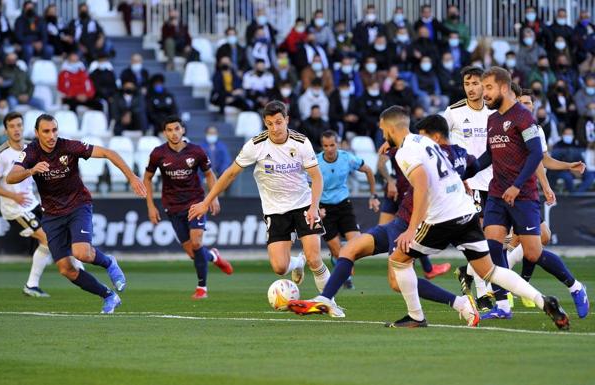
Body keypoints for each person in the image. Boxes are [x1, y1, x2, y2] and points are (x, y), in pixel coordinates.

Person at [381, 106, 567, 328]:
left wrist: (411, 229)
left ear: (391, 128)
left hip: (442, 217)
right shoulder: (425, 142)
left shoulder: (406, 152)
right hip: (465, 211)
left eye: (383, 130)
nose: (383, 135)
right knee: (490, 270)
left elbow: (421, 184)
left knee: (398, 260)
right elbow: (448, 169)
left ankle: (416, 316)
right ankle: (543, 300)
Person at [286, 115, 479, 321]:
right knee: (349, 249)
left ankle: (459, 303)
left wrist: (460, 181)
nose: (381, 134)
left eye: (383, 129)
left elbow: (464, 167)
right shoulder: (407, 148)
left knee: (397, 283)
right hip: (398, 221)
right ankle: (326, 299)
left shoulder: (422, 150)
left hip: (410, 224)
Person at [468, 66, 581, 323]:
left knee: (533, 253)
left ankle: (575, 286)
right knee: (493, 246)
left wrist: (517, 185)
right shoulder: (492, 119)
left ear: (504, 88)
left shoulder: (523, 117)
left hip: (523, 194)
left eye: (488, 88)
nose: (483, 93)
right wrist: (468, 169)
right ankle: (502, 305)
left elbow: (535, 155)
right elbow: (489, 155)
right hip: (497, 193)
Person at [7, 114, 147, 314]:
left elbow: (108, 153)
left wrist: (132, 177)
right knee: (66, 269)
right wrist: (32, 171)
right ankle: (109, 296)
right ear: (37, 133)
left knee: (81, 252)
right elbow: (11, 177)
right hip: (52, 215)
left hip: (77, 206)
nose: (51, 135)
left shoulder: (69, 146)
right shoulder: (30, 152)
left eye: (54, 130)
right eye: (46, 131)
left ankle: (109, 262)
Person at [188, 101, 331, 296]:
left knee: (315, 259)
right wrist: (206, 202)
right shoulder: (256, 145)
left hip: (303, 205)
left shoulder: (301, 142)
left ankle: (329, 301)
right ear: (265, 123)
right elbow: (230, 174)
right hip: (275, 210)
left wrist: (314, 207)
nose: (275, 128)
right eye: (270, 123)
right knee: (280, 268)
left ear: (287, 120)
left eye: (279, 122)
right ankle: (297, 262)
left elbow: (317, 177)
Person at [0, 112, 85, 297]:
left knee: (57, 237)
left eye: (19, 125)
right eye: (12, 126)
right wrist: (12, 196)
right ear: (6, 129)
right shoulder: (0, 154)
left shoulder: (31, 148)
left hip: (32, 203)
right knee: (47, 240)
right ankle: (70, 275)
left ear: (24, 127)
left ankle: (33, 285)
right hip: (14, 209)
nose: (16, 129)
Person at [144, 116, 233, 299]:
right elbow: (147, 178)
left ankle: (202, 288)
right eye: (169, 130)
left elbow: (209, 174)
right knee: (194, 253)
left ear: (182, 130)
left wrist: (212, 198)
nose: (173, 133)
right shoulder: (158, 154)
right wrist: (151, 206)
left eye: (177, 129)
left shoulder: (196, 151)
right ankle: (213, 257)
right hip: (172, 206)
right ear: (164, 133)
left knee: (197, 243)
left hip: (196, 202)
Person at [442, 66, 495, 309]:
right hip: (468, 184)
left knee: (500, 240)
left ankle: (468, 273)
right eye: (467, 84)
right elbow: (436, 138)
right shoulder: (453, 112)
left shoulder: (493, 112)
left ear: (485, 85)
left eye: (475, 83)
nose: (471, 88)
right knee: (481, 237)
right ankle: (485, 295)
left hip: (494, 182)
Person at [317, 130, 380, 289]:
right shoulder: (316, 163)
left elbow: (368, 170)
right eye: (326, 146)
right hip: (324, 210)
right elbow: (304, 186)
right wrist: (315, 207)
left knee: (358, 247)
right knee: (339, 253)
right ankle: (343, 274)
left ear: (337, 144)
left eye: (332, 145)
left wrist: (373, 195)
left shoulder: (347, 158)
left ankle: (339, 260)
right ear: (322, 146)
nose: (329, 149)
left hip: (344, 206)